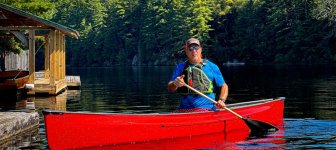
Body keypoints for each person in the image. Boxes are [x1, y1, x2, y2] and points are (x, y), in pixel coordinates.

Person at [168, 38, 229, 111]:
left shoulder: (212, 66)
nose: (194, 51)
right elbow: (170, 88)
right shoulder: (180, 67)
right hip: (184, 110)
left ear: (200, 49)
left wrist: (221, 100)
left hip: (207, 109)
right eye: (190, 48)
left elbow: (224, 86)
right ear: (186, 51)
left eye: (196, 47)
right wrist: (175, 83)